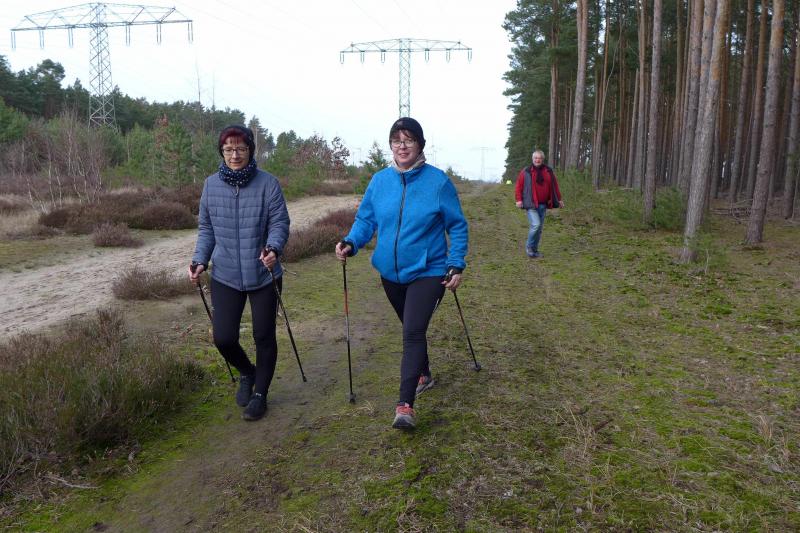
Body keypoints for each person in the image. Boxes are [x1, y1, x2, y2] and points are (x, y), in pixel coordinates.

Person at [335, 117, 468, 430]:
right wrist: (351, 242)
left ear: (420, 144)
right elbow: (366, 220)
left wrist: (456, 262)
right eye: (397, 140)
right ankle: (424, 373)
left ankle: (405, 406)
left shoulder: (438, 182)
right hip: (390, 273)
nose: (402, 146)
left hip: (429, 270)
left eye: (409, 140)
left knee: (412, 332)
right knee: (412, 328)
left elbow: (457, 226)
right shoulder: (380, 181)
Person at [189, 124, 290, 421]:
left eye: (241, 149)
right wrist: (200, 260)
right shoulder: (210, 186)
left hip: (263, 273)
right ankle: (248, 372)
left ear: (250, 151)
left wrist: (273, 248)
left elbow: (280, 223)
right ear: (222, 152)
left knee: (263, 335)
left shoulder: (268, 184)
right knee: (223, 338)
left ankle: (260, 395)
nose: (235, 155)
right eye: (229, 149)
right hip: (226, 274)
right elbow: (206, 229)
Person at [514, 149, 564, 258]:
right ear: (533, 159)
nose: (537, 160)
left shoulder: (548, 171)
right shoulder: (526, 171)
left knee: (539, 229)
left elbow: (555, 186)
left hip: (543, 204)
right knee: (536, 225)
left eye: (540, 158)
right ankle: (529, 247)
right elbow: (518, 186)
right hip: (531, 204)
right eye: (536, 158)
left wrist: (559, 199)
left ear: (542, 159)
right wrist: (518, 200)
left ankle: (534, 250)